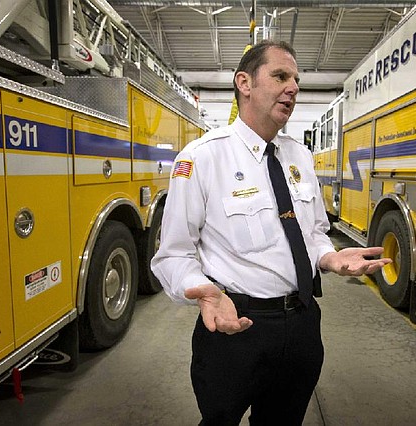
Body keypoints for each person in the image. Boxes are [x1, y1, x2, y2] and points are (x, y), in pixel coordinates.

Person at [151, 39, 391, 425]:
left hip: (301, 325)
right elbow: (174, 254)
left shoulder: (299, 156)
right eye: (280, 76)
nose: (293, 87)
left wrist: (329, 257)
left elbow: (311, 232)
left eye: (296, 78)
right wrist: (205, 293)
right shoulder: (202, 158)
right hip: (236, 330)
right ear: (244, 83)